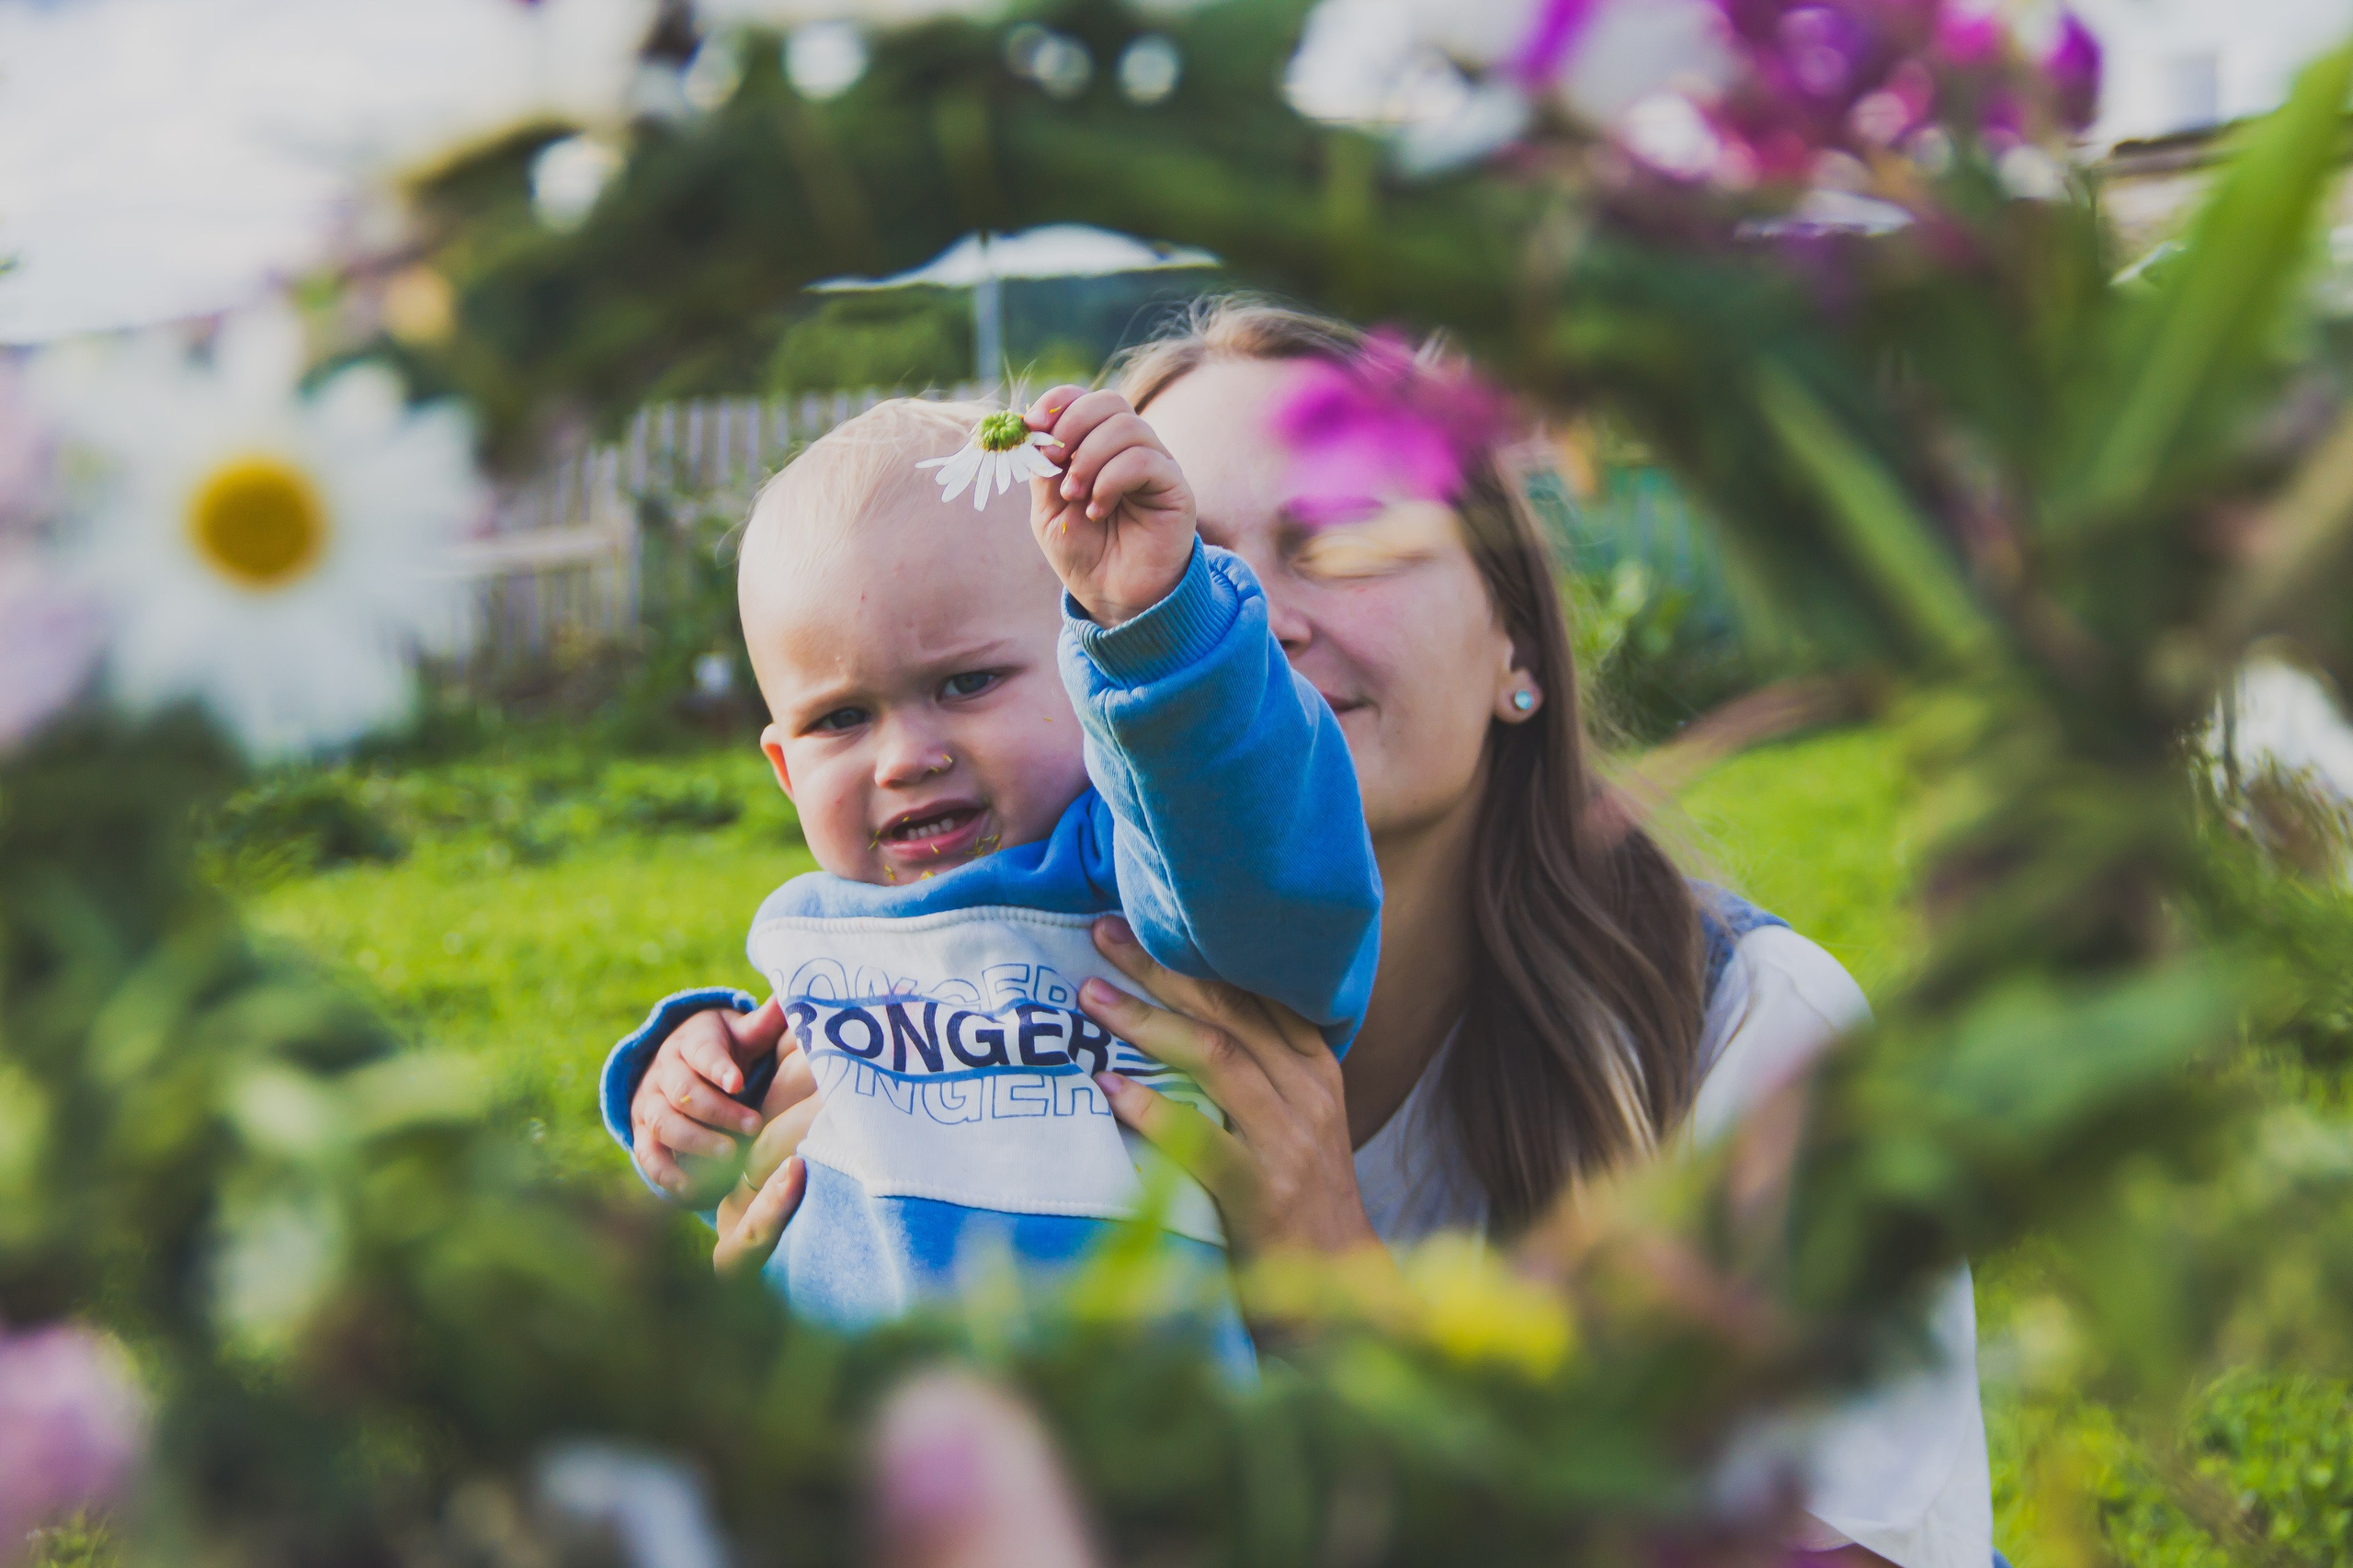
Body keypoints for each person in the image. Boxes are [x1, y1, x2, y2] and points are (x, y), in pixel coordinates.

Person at [617, 302, 1990, 1568]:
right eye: (1171, 567)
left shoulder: (1742, 1028)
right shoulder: (1018, 1017)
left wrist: (1337, 1294)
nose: (1249, 621)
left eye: (1334, 540)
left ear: (1516, 642)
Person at [597, 393, 1380, 1341]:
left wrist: (1155, 636)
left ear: (1087, 676)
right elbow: (739, 1163)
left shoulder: (1149, 883)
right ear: (784, 769)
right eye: (840, 718)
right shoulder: (824, 934)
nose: (903, 758)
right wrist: (692, 1083)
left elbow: (1261, 861)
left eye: (965, 683)